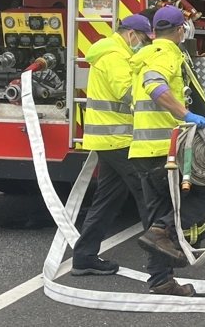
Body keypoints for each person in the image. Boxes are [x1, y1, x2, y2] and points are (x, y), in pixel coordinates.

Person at [129, 5, 205, 296]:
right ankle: (160, 233)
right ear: (180, 30)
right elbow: (155, 85)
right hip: (164, 150)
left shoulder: (143, 55)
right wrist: (186, 114)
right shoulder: (167, 53)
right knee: (200, 194)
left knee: (157, 222)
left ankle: (160, 281)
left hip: (141, 148)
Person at [71, 14, 152, 276]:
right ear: (131, 35)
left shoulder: (110, 52)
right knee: (148, 192)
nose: (142, 44)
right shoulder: (115, 56)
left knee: (108, 199)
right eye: (142, 39)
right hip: (118, 140)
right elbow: (128, 93)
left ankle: (84, 257)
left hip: (110, 139)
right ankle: (162, 257)